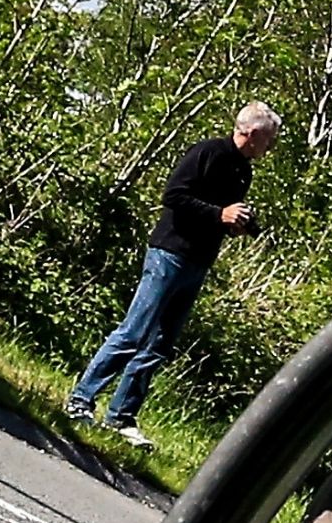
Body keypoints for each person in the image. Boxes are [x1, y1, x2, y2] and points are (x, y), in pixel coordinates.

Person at [66, 102, 281, 443]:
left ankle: (121, 417)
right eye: (270, 138)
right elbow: (174, 196)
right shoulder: (208, 152)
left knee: (159, 344)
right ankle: (80, 400)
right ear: (253, 133)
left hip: (198, 262)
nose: (271, 146)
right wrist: (219, 214)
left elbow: (221, 213)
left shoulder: (243, 170)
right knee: (134, 332)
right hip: (169, 253)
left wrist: (235, 224)